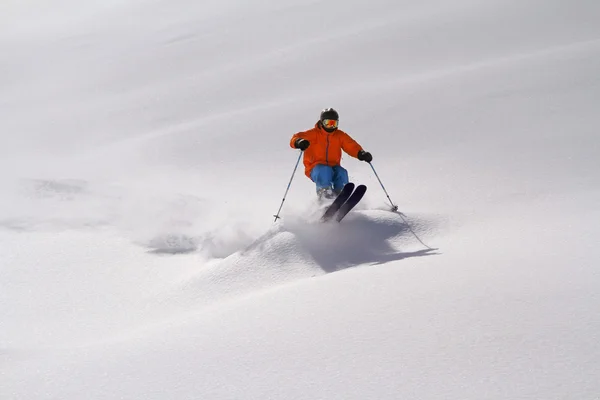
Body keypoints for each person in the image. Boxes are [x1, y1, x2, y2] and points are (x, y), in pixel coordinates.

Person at [290, 108, 373, 199]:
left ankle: (341, 193)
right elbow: (295, 137)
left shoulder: (339, 135)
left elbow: (350, 145)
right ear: (322, 122)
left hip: (334, 166)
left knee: (342, 172)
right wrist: (299, 142)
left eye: (333, 124)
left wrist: (360, 153)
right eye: (328, 123)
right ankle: (325, 194)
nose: (331, 126)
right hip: (315, 167)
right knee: (325, 171)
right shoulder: (313, 134)